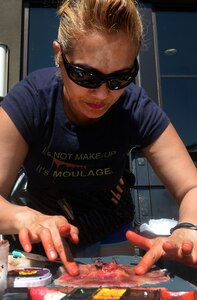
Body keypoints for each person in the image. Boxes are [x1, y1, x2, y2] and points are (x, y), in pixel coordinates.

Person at [0, 0, 197, 277]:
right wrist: (24, 217)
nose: (103, 95)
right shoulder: (31, 101)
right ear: (59, 55)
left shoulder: (134, 107)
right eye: (85, 75)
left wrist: (188, 229)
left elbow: (191, 187)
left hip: (111, 222)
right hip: (46, 225)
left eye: (120, 77)